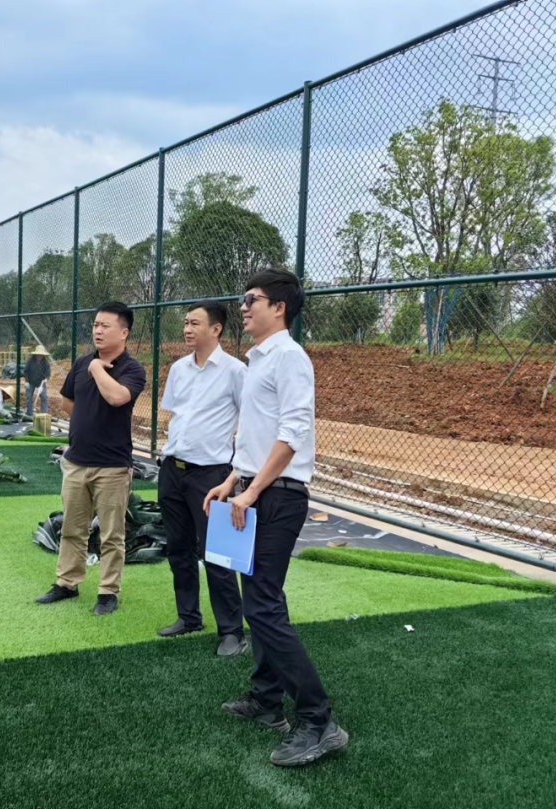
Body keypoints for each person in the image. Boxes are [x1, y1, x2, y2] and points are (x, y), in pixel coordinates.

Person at [204, 268, 348, 768]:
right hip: (255, 491)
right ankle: (267, 701)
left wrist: (252, 491)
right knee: (260, 600)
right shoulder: (260, 359)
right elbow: (258, 435)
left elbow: (292, 434)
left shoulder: (290, 357)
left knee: (263, 605)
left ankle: (319, 720)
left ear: (279, 307)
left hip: (278, 498)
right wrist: (233, 480)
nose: (243, 307)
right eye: (243, 299)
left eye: (252, 299)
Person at [35, 302, 146, 616]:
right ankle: (66, 584)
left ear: (123, 333)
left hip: (112, 466)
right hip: (76, 462)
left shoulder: (132, 369)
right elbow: (67, 402)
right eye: (96, 325)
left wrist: (97, 368)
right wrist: (88, 419)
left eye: (105, 326)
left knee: (112, 535)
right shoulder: (81, 362)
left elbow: (117, 397)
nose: (97, 330)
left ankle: (108, 592)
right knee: (72, 528)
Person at [156, 301, 248, 658]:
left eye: (194, 323)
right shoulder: (179, 369)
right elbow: (176, 416)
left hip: (211, 476)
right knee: (178, 548)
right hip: (173, 470)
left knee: (218, 555)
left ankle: (232, 632)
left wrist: (236, 472)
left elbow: (252, 422)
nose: (187, 329)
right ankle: (189, 617)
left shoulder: (235, 372)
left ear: (216, 329)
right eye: (185, 323)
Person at [24, 345, 52, 416]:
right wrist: (26, 382)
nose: (39, 356)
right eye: (38, 355)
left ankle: (44, 414)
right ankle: (29, 413)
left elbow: (48, 375)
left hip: (41, 382)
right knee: (29, 397)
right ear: (36, 355)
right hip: (30, 381)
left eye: (41, 355)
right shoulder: (30, 361)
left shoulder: (46, 363)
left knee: (44, 397)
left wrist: (44, 382)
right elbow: (26, 372)